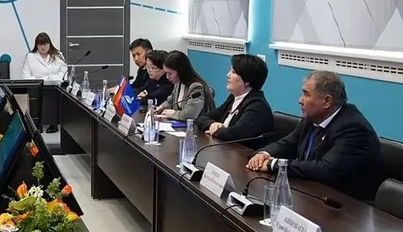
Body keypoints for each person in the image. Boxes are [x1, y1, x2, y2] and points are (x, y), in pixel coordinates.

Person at [247, 71, 384, 201]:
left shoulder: (353, 128)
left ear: (327, 101)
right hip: (312, 193)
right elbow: (288, 144)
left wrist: (273, 164)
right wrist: (264, 154)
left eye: (306, 94)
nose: (300, 100)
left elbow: (325, 169)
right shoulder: (312, 119)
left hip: (347, 205)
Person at [196, 54, 273, 146]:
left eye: (233, 72)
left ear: (247, 81)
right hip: (224, 149)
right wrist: (212, 124)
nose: (228, 75)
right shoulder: (233, 98)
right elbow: (202, 118)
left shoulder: (257, 106)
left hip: (243, 153)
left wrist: (217, 131)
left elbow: (236, 134)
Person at [22, 32, 67, 133]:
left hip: (54, 86)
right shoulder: (30, 56)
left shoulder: (58, 55)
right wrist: (41, 80)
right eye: (40, 45)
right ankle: (38, 124)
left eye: (45, 44)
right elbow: (25, 76)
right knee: (38, 95)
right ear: (36, 45)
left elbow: (64, 72)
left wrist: (51, 79)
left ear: (49, 44)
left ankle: (53, 123)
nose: (43, 47)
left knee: (52, 94)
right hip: (37, 87)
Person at [155, 50, 214, 121]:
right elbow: (170, 101)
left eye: (170, 74)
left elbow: (189, 115)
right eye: (166, 73)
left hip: (197, 126)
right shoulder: (178, 83)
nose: (167, 77)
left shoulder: (196, 87)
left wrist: (172, 114)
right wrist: (161, 107)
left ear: (181, 71)